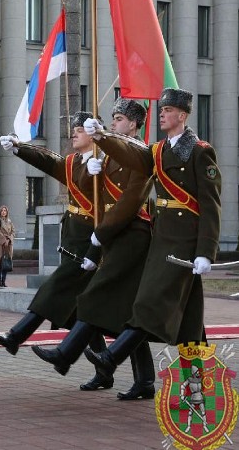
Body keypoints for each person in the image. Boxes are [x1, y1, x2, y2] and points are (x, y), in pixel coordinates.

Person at [81, 88, 221, 381]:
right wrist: (103, 138)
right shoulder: (158, 151)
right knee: (190, 324)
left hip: (184, 244)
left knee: (148, 303)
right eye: (162, 110)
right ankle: (199, 387)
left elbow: (210, 206)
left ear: (182, 116)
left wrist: (206, 251)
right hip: (162, 240)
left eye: (168, 111)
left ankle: (111, 357)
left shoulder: (200, 150)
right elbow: (132, 155)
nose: (162, 114)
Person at [31, 98, 156, 399]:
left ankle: (66, 354)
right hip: (113, 235)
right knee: (128, 313)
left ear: (135, 125)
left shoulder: (142, 153)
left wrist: (100, 235)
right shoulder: (109, 152)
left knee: (94, 296)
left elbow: (128, 203)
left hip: (131, 233)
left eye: (120, 119)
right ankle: (143, 380)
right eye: (113, 117)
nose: (114, 122)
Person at [0, 112, 109, 389]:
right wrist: (20, 147)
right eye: (74, 129)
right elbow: (48, 160)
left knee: (52, 289)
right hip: (73, 241)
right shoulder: (73, 163)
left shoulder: (106, 163)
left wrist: (102, 169)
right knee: (85, 314)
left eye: (80, 129)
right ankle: (103, 370)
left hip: (91, 244)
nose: (74, 133)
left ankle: (16, 337)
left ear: (94, 133)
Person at [0, 205, 15, 287]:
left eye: (5, 211)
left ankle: (4, 281)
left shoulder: (10, 221)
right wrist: (4, 240)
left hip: (8, 245)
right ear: (0, 212)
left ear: (7, 212)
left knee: (6, 263)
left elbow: (13, 232)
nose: (3, 212)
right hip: (0, 244)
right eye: (2, 210)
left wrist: (9, 239)